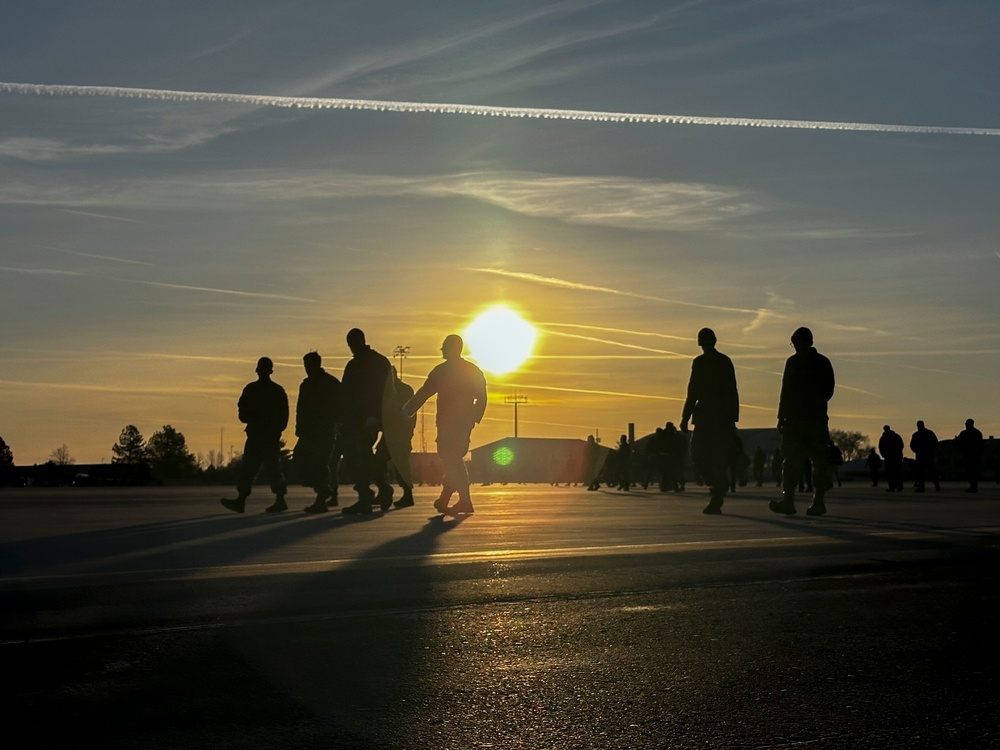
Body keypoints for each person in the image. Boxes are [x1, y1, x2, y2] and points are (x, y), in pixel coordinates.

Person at [403, 334, 487, 515]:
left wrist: (408, 410)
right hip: (463, 424)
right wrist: (473, 418)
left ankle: (465, 500)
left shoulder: (442, 371)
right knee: (453, 460)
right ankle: (445, 498)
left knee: (452, 460)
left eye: (444, 346)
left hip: (448, 424)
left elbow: (425, 392)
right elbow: (482, 396)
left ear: (451, 348)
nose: (441, 350)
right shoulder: (472, 370)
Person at [769, 327, 835, 516]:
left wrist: (814, 403)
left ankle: (818, 502)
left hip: (814, 421)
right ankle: (788, 501)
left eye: (798, 343)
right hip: (794, 421)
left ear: (808, 342)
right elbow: (785, 390)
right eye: (794, 343)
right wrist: (781, 415)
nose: (796, 347)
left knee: (819, 462)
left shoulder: (822, 362)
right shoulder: (792, 363)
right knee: (790, 462)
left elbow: (828, 389)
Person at [680, 328, 739, 515]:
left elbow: (731, 390)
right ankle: (717, 484)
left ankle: (717, 495)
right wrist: (685, 416)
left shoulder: (721, 362)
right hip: (707, 417)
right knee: (698, 454)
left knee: (713, 457)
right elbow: (693, 390)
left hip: (717, 418)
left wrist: (731, 418)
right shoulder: (701, 362)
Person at [222, 357, 289, 514]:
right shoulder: (253, 389)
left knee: (273, 469)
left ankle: (279, 500)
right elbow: (242, 410)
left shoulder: (275, 391)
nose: (263, 372)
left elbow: (283, 416)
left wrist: (275, 431)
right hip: (256, 436)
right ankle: (241, 500)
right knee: (249, 469)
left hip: (268, 437)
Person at [340, 328, 394, 515]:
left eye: (354, 344)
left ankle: (366, 496)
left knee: (361, 454)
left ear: (361, 341)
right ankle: (377, 488)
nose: (352, 348)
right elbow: (345, 394)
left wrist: (376, 417)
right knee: (356, 457)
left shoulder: (378, 363)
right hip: (354, 420)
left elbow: (386, 393)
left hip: (372, 419)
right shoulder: (353, 366)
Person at [295, 352, 341, 514]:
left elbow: (339, 406)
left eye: (309, 365)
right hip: (308, 431)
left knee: (320, 463)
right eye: (305, 366)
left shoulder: (330, 383)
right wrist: (299, 426)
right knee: (300, 459)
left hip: (324, 431)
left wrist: (336, 425)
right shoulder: (306, 385)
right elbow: (300, 407)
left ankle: (322, 498)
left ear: (317, 364)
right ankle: (323, 488)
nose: (307, 369)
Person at [909, 420, 940, 493]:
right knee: (926, 472)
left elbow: (935, 443)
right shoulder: (927, 433)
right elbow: (912, 445)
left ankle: (932, 486)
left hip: (925, 455)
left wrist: (918, 450)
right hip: (924, 455)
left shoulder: (919, 434)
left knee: (928, 472)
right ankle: (933, 486)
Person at [955, 418, 984, 493]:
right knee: (973, 472)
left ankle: (973, 487)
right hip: (974, 455)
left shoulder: (965, 433)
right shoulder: (977, 433)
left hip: (969, 455)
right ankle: (974, 486)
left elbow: (958, 442)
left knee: (971, 472)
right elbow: (980, 445)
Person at [878, 425, 905, 492]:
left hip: (893, 457)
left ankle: (894, 486)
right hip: (892, 457)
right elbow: (881, 447)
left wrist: (885, 454)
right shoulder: (895, 436)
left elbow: (901, 445)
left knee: (893, 472)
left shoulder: (885, 438)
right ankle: (895, 485)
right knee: (894, 472)